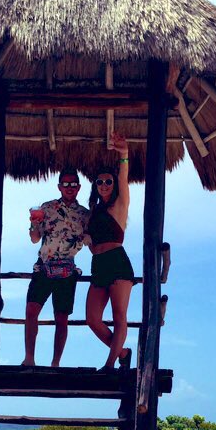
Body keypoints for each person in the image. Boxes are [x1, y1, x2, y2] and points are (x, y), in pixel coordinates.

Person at [23, 167, 90, 367]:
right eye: (66, 184)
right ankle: (29, 359)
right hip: (44, 267)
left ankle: (55, 363)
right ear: (59, 186)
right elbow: (35, 239)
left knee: (61, 318)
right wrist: (34, 223)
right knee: (31, 312)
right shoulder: (47, 208)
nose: (69, 188)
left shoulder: (84, 215)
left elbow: (91, 242)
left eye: (73, 184)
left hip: (67, 270)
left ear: (78, 187)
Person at [85, 133, 135, 370]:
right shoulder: (93, 210)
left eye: (108, 181)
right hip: (99, 263)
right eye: (99, 182)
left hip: (117, 262)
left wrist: (124, 155)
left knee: (119, 316)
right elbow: (94, 245)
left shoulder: (120, 204)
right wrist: (89, 242)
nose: (104, 185)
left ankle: (109, 363)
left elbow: (124, 179)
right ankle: (123, 352)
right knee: (92, 319)